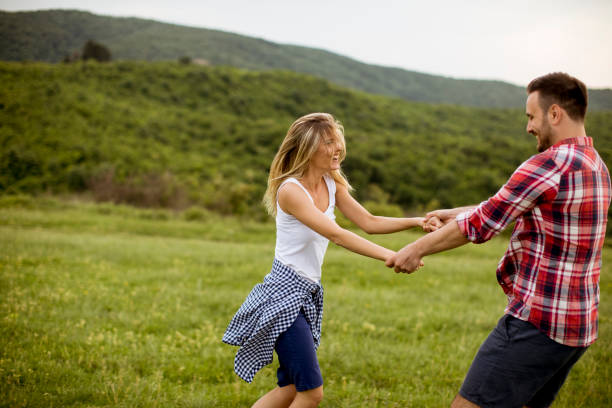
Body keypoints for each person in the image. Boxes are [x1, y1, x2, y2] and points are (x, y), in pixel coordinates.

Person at [387, 72, 611, 408]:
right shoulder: (595, 165)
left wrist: (415, 248)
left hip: (537, 322)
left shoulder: (548, 165)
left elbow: (481, 224)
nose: (528, 127)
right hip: (576, 327)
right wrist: (454, 212)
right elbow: (512, 205)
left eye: (531, 116)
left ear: (554, 114)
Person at [222, 112, 426, 408]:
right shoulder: (291, 191)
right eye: (329, 142)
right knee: (311, 391)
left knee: (291, 388)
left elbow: (368, 221)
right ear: (308, 148)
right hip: (283, 297)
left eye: (338, 141)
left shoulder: (331, 183)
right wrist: (394, 256)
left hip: (306, 294)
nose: (338, 148)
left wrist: (417, 221)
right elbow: (338, 235)